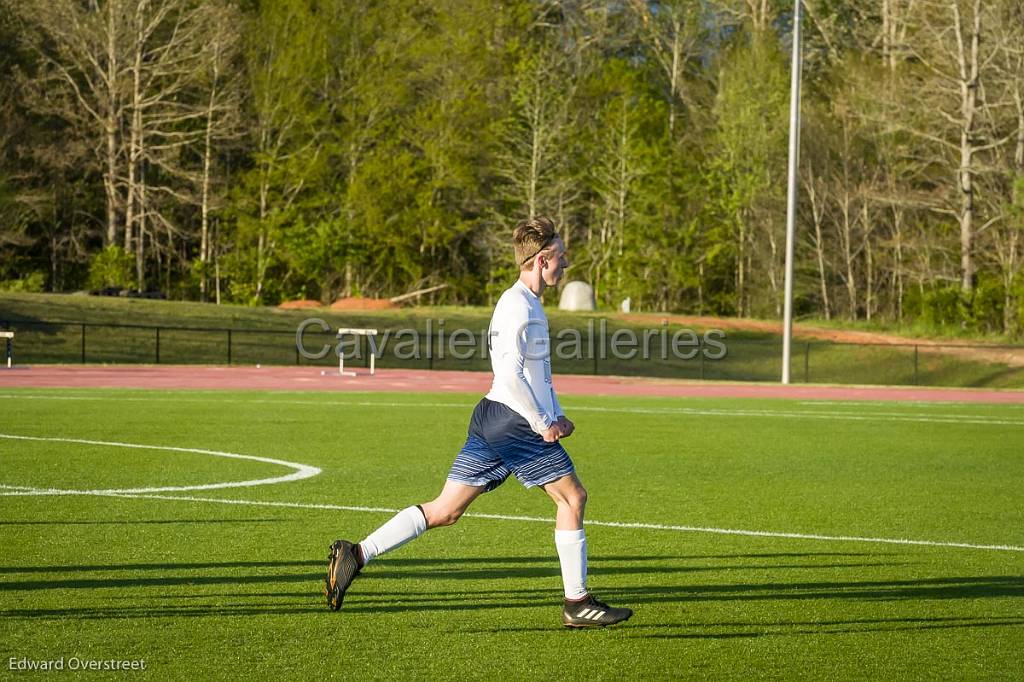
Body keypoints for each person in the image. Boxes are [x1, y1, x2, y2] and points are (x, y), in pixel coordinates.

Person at [325, 215, 633, 628]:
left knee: (445, 510)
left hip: (496, 417)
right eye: (560, 257)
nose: (565, 264)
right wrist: (543, 422)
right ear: (541, 261)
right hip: (515, 423)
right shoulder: (517, 306)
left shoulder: (528, 303)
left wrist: (555, 412)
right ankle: (577, 603)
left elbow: (536, 373)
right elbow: (510, 375)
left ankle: (356, 553)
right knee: (571, 498)